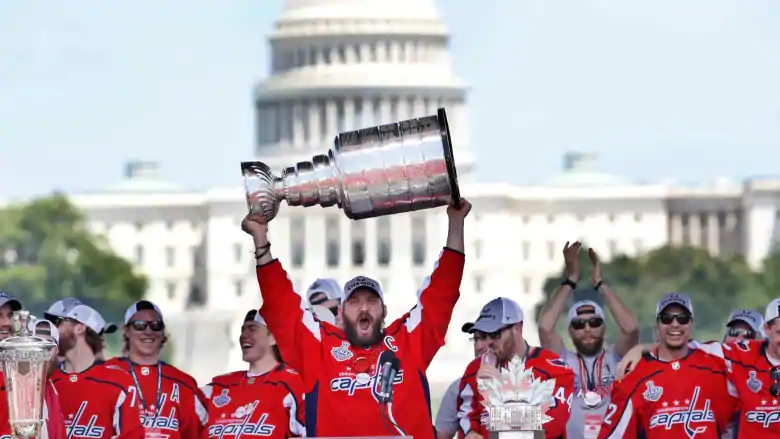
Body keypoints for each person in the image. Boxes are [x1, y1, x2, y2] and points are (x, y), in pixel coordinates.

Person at [242, 199, 470, 439]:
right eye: (354, 302)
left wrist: (456, 223)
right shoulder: (320, 348)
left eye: (371, 301)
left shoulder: (408, 342)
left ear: (384, 311)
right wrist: (260, 239)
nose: (363, 308)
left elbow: (443, 291)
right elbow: (280, 303)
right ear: (340, 313)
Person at [617, 299, 780, 439]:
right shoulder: (716, 361)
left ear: (761, 337)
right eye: (733, 331)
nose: (738, 338)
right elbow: (684, 348)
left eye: (748, 334)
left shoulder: (749, 362)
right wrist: (642, 348)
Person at [597, 293, 737, 439]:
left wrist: (643, 347)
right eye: (667, 319)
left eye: (682, 318)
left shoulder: (715, 362)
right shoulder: (634, 375)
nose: (675, 324)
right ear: (657, 325)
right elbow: (613, 434)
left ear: (691, 323)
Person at [537, 242, 639, 439]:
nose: (587, 329)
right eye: (578, 324)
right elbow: (545, 327)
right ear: (570, 332)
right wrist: (571, 279)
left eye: (594, 322)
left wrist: (600, 283)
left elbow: (631, 328)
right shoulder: (562, 361)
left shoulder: (617, 356)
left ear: (604, 327)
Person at [457, 297, 575, 439]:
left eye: (495, 334)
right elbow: (467, 414)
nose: (488, 342)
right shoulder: (476, 368)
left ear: (517, 329)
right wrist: (471, 432)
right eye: (484, 335)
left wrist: (502, 390)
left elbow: (547, 428)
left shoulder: (555, 368)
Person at [104, 300, 207, 439]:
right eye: (140, 325)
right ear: (127, 331)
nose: (148, 331)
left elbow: (200, 433)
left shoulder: (184, 383)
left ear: (163, 333)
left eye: (156, 326)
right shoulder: (106, 374)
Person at [202, 310, 306, 439]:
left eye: (252, 329)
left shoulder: (293, 383)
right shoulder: (218, 387)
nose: (243, 335)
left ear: (273, 337)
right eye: (242, 330)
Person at [51, 304, 144, 439]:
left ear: (79, 328)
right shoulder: (46, 381)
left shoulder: (119, 382)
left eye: (59, 324)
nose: (53, 330)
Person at [435, 321, 487, 439]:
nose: (478, 346)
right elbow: (441, 435)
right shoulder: (458, 387)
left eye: (484, 338)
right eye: (475, 339)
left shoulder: (521, 381)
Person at [44, 297, 119, 361]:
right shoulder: (45, 371)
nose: (51, 328)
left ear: (79, 329)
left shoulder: (111, 375)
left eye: (57, 322)